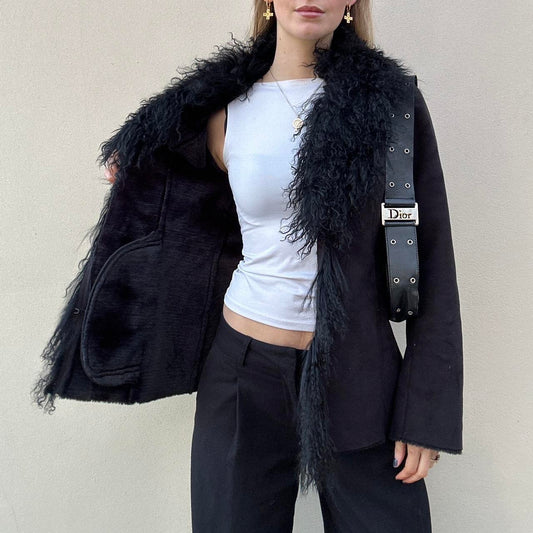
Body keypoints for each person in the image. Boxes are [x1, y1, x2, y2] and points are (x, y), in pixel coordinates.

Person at [33, 1, 463, 531]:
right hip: (242, 374)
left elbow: (433, 255)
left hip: (360, 374)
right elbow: (179, 211)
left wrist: (425, 414)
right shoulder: (219, 109)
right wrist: (139, 162)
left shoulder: (391, 103)